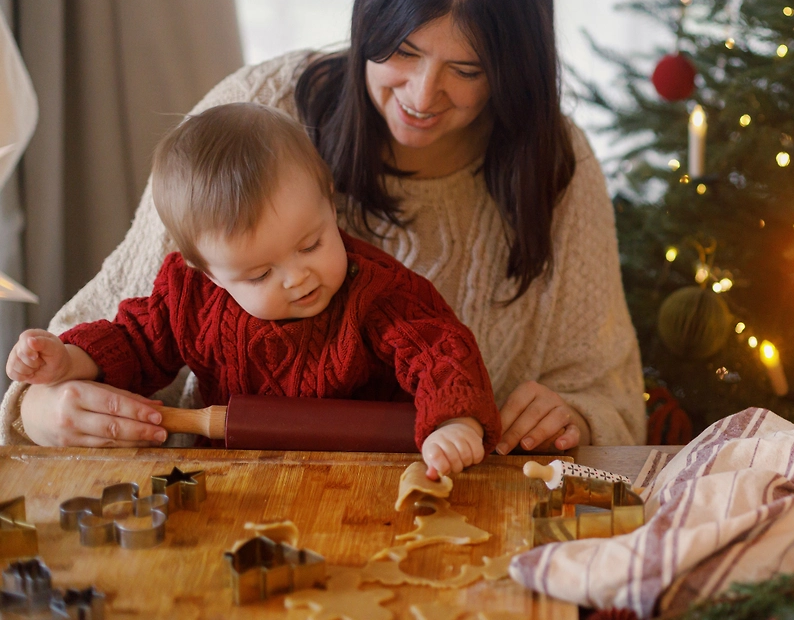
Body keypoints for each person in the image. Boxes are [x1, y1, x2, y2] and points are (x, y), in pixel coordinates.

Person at [2, 0, 645, 452]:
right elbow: (116, 330)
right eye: (403, 50)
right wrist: (44, 404)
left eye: (467, 69)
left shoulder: (555, 164)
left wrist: (577, 418)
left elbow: (611, 400)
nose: (423, 95)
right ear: (368, 22)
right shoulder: (256, 112)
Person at [6, 104, 501, 478]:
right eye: (260, 275)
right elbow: (134, 343)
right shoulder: (188, 295)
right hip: (234, 480)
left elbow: (441, 351)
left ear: (329, 204)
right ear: (208, 274)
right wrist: (69, 361)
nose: (297, 277)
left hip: (366, 476)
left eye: (311, 244)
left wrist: (454, 424)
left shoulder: (378, 292)